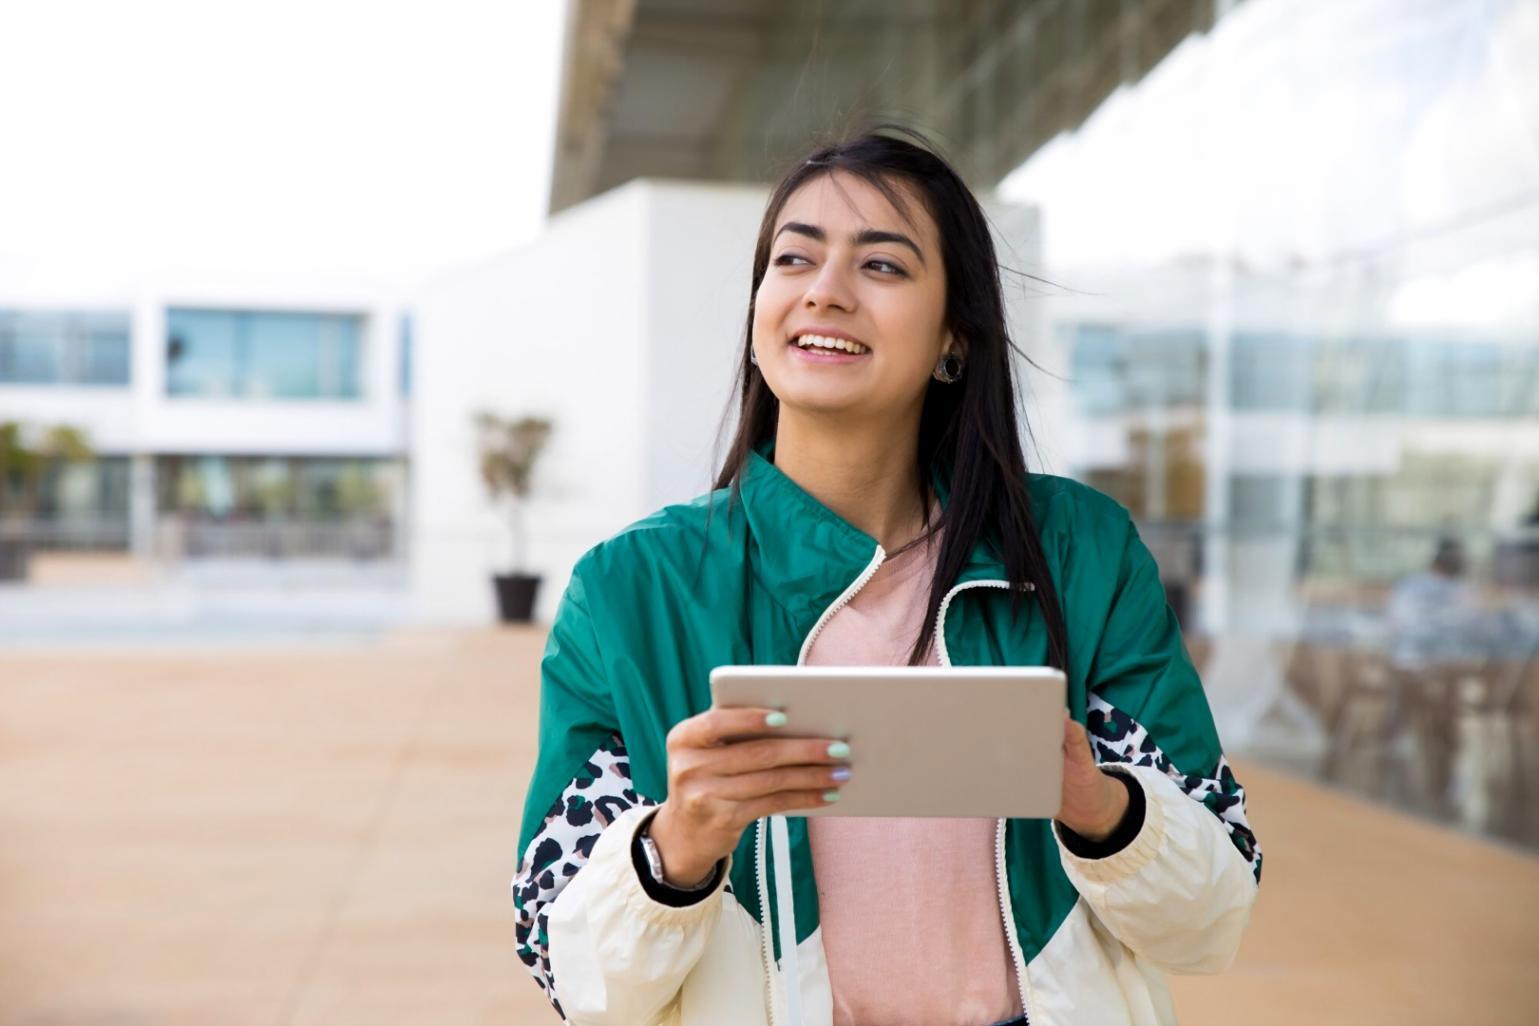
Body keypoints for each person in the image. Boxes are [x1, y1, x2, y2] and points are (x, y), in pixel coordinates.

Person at [511, 129, 1261, 1026]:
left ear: (954, 336)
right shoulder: (632, 590)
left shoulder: (1077, 552)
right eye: (793, 258)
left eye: (883, 266)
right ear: (759, 316)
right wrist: (676, 847)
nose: (824, 290)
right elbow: (572, 974)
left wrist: (1095, 805)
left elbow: (1211, 919)